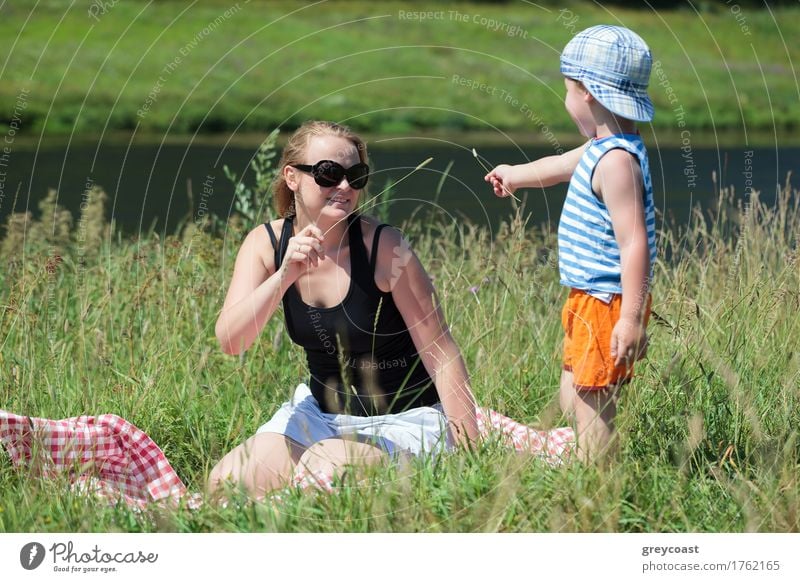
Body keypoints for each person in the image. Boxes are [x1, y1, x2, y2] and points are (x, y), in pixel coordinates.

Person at [208, 121, 480, 499]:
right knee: (229, 484)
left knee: (331, 469)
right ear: (292, 177)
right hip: (319, 414)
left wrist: (470, 454)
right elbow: (231, 342)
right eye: (328, 174)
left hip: (404, 419)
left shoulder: (385, 248)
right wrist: (284, 275)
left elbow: (442, 353)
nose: (345, 187)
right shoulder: (265, 243)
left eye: (356, 175)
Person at [484, 25, 656, 463]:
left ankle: (596, 479)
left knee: (590, 399)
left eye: (567, 90)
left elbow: (635, 245)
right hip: (586, 297)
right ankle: (586, 457)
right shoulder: (602, 147)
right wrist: (515, 174)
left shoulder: (618, 163)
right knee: (574, 391)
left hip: (606, 301)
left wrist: (631, 318)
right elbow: (560, 165)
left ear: (589, 95)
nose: (566, 101)